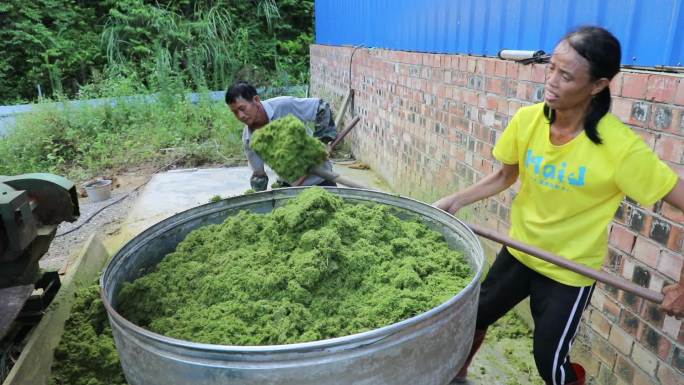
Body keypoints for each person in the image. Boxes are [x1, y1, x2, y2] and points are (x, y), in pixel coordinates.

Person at [434, 26, 684, 385]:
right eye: (551, 67)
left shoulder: (621, 149)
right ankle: (454, 376)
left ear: (597, 85)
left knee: (549, 362)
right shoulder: (528, 120)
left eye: (566, 76)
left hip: (569, 270)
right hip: (521, 251)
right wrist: (454, 201)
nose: (551, 81)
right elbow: (505, 176)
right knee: (469, 319)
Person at [225, 81, 338, 191]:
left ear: (256, 100)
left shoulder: (284, 106)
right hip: (288, 188)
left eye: (242, 108)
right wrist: (257, 190)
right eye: (235, 112)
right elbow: (259, 175)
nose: (240, 116)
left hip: (322, 180)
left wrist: (322, 142)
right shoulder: (250, 139)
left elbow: (321, 107)